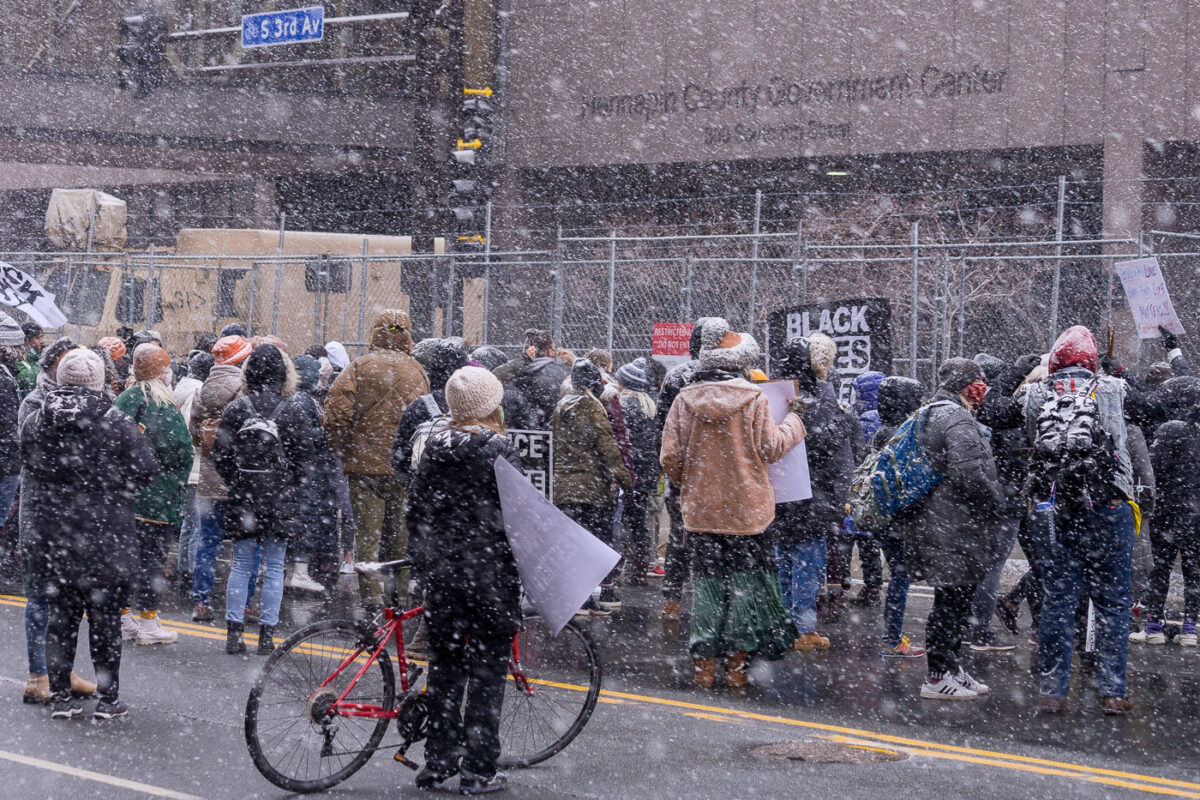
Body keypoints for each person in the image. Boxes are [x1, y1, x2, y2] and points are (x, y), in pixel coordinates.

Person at [660, 318, 806, 688]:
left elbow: (670, 459)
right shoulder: (754, 399)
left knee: (707, 585)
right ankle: (736, 666)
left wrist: (694, 483)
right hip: (747, 512)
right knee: (744, 587)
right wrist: (795, 421)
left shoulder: (683, 400)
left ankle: (703, 666)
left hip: (702, 510)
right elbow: (772, 448)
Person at [22, 348, 158, 719]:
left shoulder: (35, 420)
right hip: (105, 537)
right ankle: (109, 699)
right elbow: (147, 470)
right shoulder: (116, 421)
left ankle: (62, 698)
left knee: (61, 619)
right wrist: (112, 485)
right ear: (99, 382)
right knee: (104, 622)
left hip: (54, 535)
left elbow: (30, 461)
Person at [404, 366, 521, 794]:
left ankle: (438, 760)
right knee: (488, 672)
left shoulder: (433, 445)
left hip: (444, 574)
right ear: (492, 405)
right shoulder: (498, 449)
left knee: (446, 668)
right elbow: (519, 514)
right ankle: (478, 769)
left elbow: (415, 509)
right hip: (489, 573)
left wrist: (425, 561)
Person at [1024, 326, 1137, 715]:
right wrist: (1117, 370)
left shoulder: (1036, 394)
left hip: (1055, 508)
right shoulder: (1113, 390)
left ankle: (1053, 691)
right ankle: (1113, 691)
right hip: (1109, 505)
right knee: (1113, 603)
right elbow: (1149, 411)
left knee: (1057, 600)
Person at [897, 358, 1001, 701]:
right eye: (979, 381)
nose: (983, 387)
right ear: (965, 385)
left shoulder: (932, 411)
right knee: (951, 602)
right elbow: (968, 474)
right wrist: (996, 500)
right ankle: (937, 675)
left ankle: (952, 667)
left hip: (940, 522)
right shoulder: (955, 417)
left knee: (954, 599)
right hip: (953, 525)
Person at [213, 344, 315, 654]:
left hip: (244, 496)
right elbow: (305, 461)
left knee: (241, 565)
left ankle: (234, 633)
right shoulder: (293, 411)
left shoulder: (236, 409)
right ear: (283, 375)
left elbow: (221, 456)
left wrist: (239, 480)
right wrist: (287, 486)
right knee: (273, 567)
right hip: (280, 498)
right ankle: (267, 636)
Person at [325, 310, 429, 615]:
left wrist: (343, 447)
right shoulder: (418, 371)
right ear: (408, 335)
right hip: (402, 467)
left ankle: (372, 599)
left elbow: (336, 414)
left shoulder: (358, 368)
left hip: (364, 465)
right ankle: (401, 598)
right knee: (400, 536)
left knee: (367, 537)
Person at [769, 334, 853, 650]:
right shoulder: (813, 402)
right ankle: (803, 628)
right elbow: (816, 446)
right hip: (811, 495)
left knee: (785, 559)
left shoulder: (774, 398)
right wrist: (843, 424)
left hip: (782, 493)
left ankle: (786, 622)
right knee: (807, 561)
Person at [113, 344, 192, 646]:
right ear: (161, 371)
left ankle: (121, 618)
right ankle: (148, 622)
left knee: (124, 560)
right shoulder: (162, 404)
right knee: (151, 563)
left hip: (124, 498)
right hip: (157, 500)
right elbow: (181, 451)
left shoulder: (124, 399)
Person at [554, 358, 633, 613]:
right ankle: (585, 597)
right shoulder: (592, 406)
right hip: (589, 487)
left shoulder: (562, 404)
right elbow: (607, 446)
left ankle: (572, 597)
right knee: (590, 544)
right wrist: (624, 478)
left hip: (565, 486)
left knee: (572, 543)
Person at [189, 334, 253, 622]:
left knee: (208, 541)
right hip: (239, 477)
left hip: (209, 477)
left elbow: (194, 433)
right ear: (241, 359)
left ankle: (201, 600)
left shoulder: (203, 390)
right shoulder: (244, 389)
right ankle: (245, 602)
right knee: (247, 543)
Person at [1133, 376, 1200, 647]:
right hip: (1196, 517)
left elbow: (1153, 473)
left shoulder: (1170, 430)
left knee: (1159, 569)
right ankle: (1190, 629)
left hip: (1167, 514)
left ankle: (1153, 626)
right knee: (1194, 573)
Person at [656, 319, 711, 620]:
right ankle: (707, 600)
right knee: (710, 537)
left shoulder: (676, 377)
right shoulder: (728, 378)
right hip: (713, 470)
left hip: (682, 471)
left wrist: (669, 469)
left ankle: (671, 601)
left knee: (679, 538)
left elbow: (663, 430)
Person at [871, 376, 927, 659]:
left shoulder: (884, 430)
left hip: (885, 516)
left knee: (899, 574)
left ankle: (891, 636)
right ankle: (892, 638)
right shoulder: (903, 434)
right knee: (901, 576)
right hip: (898, 517)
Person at [288, 353, 342, 594]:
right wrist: (328, 433)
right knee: (305, 520)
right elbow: (306, 436)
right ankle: (299, 572)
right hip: (308, 472)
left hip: (305, 471)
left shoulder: (296, 398)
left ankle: (295, 571)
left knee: (303, 519)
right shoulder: (302, 400)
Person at [391, 339, 470, 486]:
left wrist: (412, 484)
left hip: (426, 490)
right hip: (466, 491)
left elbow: (399, 453)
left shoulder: (419, 406)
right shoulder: (477, 406)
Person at [614, 357, 659, 585]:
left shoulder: (623, 406)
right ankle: (639, 571)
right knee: (639, 522)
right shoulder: (651, 407)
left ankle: (616, 569)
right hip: (647, 474)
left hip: (629, 472)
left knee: (620, 521)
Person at [502, 330, 570, 431]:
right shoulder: (564, 372)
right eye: (554, 350)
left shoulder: (516, 371)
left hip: (520, 431)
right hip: (553, 432)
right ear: (549, 351)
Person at [16, 322, 45, 395]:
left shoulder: (38, 356)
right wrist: (44, 363)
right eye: (38, 338)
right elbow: (29, 381)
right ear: (27, 341)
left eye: (42, 337)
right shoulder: (18, 359)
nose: (42, 341)